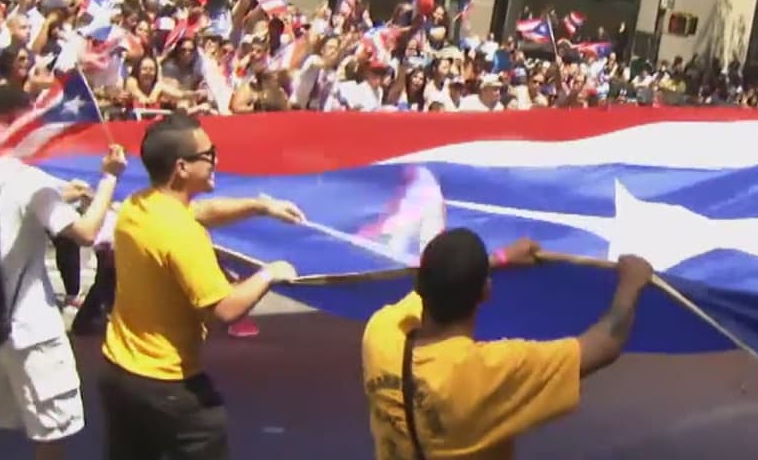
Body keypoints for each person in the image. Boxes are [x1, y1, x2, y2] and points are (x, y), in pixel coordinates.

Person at [99, 111, 305, 460]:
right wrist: (271, 273)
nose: (215, 162)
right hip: (167, 384)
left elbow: (203, 211)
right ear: (182, 167)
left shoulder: (139, 206)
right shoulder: (182, 234)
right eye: (209, 155)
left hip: (119, 373)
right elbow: (225, 309)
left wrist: (260, 205)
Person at [361, 229, 654, 459]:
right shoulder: (486, 372)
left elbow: (445, 281)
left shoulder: (381, 332)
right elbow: (606, 343)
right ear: (486, 291)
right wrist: (631, 283)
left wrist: (500, 259)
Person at [0, 85, 127, 460]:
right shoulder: (30, 181)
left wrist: (62, 192)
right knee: (52, 428)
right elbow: (85, 234)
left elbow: (14, 207)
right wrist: (108, 180)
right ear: (17, 122)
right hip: (31, 326)